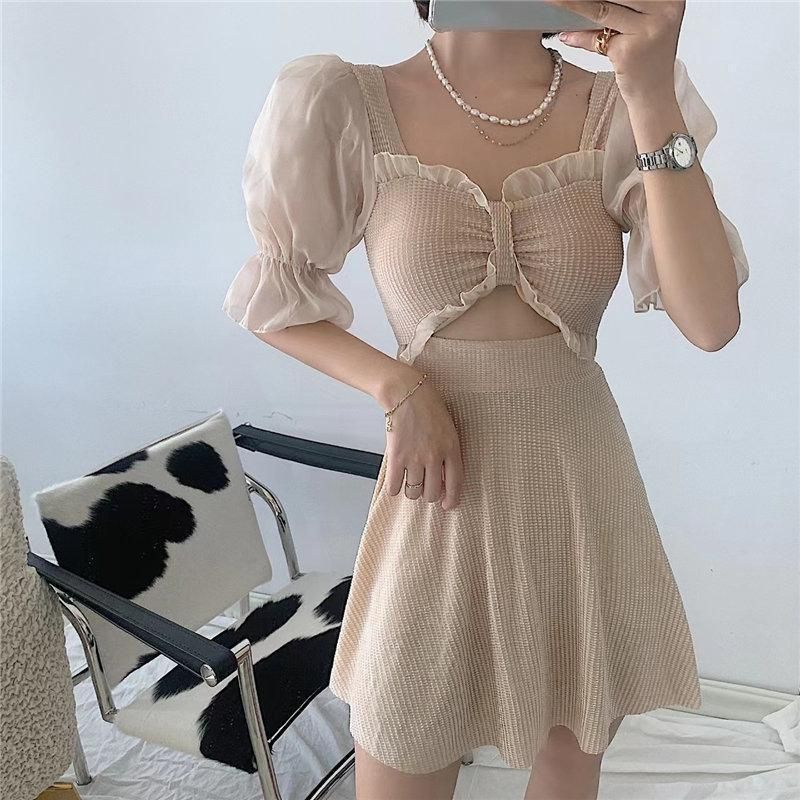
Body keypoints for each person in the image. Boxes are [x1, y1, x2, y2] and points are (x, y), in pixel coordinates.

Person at [222, 1, 749, 797]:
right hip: (439, 497)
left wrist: (647, 91)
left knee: (571, 747)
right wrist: (396, 384)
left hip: (579, 490)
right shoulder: (346, 103)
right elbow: (275, 300)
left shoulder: (622, 106)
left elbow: (710, 321)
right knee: (404, 727)